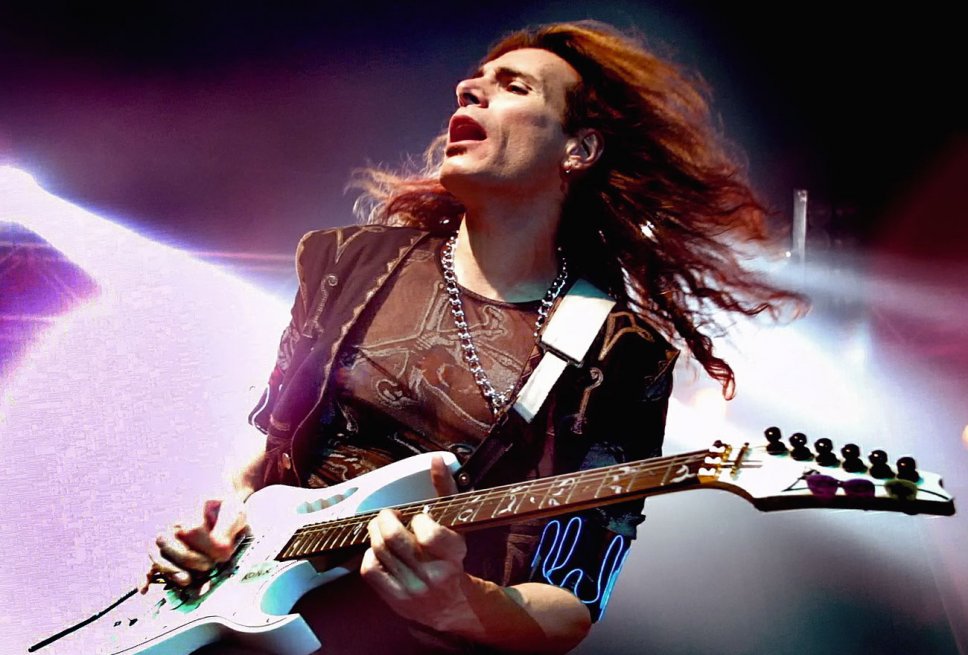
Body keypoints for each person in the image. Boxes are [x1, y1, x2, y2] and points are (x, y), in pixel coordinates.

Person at [144, 21, 802, 654]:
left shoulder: (619, 355)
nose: (469, 89)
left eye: (515, 86)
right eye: (476, 80)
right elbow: (266, 445)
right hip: (249, 626)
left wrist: (458, 602)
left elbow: (572, 599)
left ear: (578, 150)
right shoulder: (352, 262)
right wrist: (220, 530)